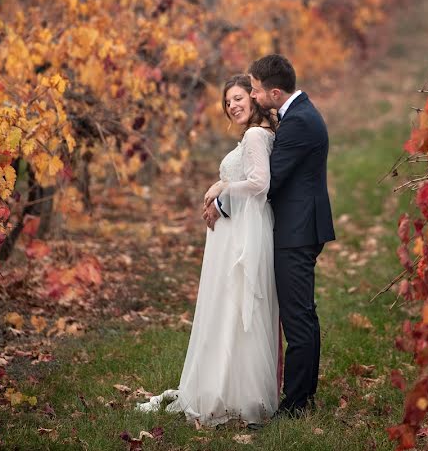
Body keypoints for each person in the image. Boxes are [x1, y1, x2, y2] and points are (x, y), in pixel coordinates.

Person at [137, 75, 280, 427]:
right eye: (227, 102)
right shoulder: (252, 137)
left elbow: (260, 185)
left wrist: (221, 188)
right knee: (227, 307)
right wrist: (222, 200)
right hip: (234, 229)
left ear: (254, 98)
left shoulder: (255, 136)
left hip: (242, 234)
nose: (232, 105)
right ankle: (224, 384)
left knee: (236, 304)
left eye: (238, 98)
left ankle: (236, 393)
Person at [214, 54, 335, 417]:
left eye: (254, 90)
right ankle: (302, 396)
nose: (251, 95)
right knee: (302, 315)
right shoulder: (297, 115)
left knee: (298, 318)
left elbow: (268, 182)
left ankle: (297, 403)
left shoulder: (298, 122)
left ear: (275, 92)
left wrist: (221, 195)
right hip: (298, 226)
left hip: (297, 231)